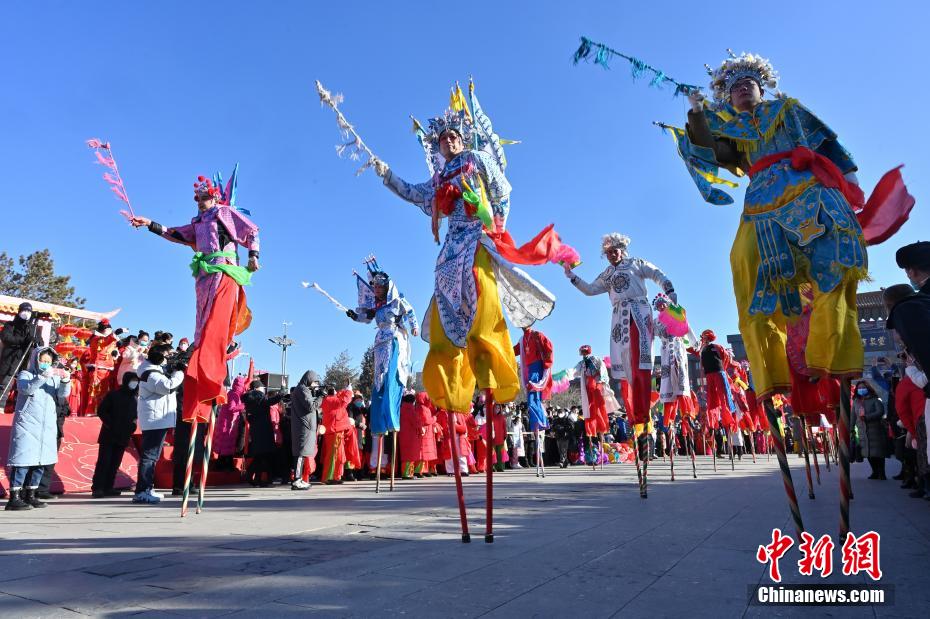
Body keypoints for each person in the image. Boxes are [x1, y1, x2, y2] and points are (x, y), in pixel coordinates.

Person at [679, 53, 909, 400]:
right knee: (744, 261)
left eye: (747, 83)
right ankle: (771, 367)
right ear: (728, 99)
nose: (741, 89)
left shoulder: (788, 110)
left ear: (761, 87)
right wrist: (696, 113)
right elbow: (712, 151)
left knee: (833, 268)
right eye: (734, 88)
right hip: (761, 201)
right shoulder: (734, 130)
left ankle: (831, 353)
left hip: (807, 188)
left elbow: (829, 143)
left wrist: (847, 178)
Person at [130, 172, 260, 427]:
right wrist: (149, 224)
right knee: (200, 331)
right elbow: (175, 233)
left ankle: (215, 372)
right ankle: (200, 381)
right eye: (197, 198)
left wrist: (253, 256)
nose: (200, 201)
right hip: (202, 277)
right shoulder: (199, 222)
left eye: (204, 197)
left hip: (224, 271)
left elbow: (252, 230)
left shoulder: (224, 213)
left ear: (214, 197)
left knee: (214, 325)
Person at [563, 233, 675, 441]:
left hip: (639, 313)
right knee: (626, 371)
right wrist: (571, 276)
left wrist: (669, 289)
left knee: (641, 366)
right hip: (619, 320)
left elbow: (657, 274)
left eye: (614, 251)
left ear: (622, 250)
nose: (612, 255)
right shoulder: (607, 274)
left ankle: (643, 417)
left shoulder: (636, 263)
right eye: (608, 253)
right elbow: (589, 289)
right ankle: (637, 420)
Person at [345, 259, 418, 472]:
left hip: (394, 339)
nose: (375, 290)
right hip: (379, 341)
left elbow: (410, 312)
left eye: (379, 287)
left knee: (390, 376)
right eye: (374, 287)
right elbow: (365, 317)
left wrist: (413, 327)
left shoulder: (396, 301)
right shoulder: (376, 307)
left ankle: (391, 415)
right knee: (378, 379)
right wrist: (353, 316)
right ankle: (379, 419)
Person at [4, 347, 70, 511]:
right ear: (36, 359)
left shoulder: (52, 378)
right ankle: (15, 497)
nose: (46, 364)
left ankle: (31, 494)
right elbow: (26, 389)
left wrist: (65, 380)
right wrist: (41, 377)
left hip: (46, 425)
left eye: (48, 362)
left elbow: (62, 394)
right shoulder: (25, 375)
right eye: (43, 361)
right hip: (27, 424)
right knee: (23, 461)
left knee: (41, 461)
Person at [134, 345, 184, 504]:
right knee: (149, 456)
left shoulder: (152, 371)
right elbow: (168, 387)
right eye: (167, 355)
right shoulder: (151, 374)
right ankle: (142, 490)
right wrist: (179, 372)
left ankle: (147, 487)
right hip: (155, 419)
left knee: (151, 456)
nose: (169, 358)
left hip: (157, 417)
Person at [91, 371, 138, 498]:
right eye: (132, 380)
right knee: (104, 462)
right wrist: (111, 424)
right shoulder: (113, 395)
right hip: (109, 434)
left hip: (123, 435)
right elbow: (102, 410)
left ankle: (108, 487)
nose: (134, 383)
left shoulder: (134, 399)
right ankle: (98, 487)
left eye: (136, 381)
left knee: (115, 463)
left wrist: (132, 427)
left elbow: (134, 417)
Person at [575, 345, 615, 463]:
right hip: (588, 389)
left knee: (599, 409)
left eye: (585, 352)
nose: (584, 354)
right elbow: (573, 371)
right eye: (583, 353)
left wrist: (601, 379)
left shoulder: (595, 359)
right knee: (590, 411)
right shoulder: (581, 364)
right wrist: (563, 375)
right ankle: (593, 434)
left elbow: (602, 369)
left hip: (597, 386)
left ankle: (600, 430)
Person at [0, 302, 42, 410]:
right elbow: (6, 337)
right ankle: (1, 406)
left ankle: (18, 408)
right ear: (19, 311)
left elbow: (40, 343)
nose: (26, 313)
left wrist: (36, 341)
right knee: (5, 383)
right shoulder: (10, 325)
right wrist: (23, 341)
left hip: (26, 360)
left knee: (24, 384)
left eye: (29, 311)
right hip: (11, 359)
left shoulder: (33, 327)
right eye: (24, 310)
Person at [243, 380, 285, 487]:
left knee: (260, 455)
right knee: (263, 455)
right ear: (257, 388)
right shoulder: (259, 397)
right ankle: (251, 475)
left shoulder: (249, 398)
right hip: (264, 429)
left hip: (256, 429)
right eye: (262, 388)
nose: (264, 389)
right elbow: (272, 401)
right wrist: (282, 391)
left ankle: (256, 478)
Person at [289, 371, 322, 490]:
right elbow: (311, 406)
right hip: (303, 427)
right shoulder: (302, 389)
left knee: (302, 454)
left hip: (305, 426)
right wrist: (320, 397)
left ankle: (299, 479)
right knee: (300, 454)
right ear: (309, 379)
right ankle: (296, 480)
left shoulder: (303, 389)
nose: (314, 384)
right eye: (314, 381)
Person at [80, 319, 118, 416]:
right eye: (109, 330)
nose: (110, 331)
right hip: (98, 369)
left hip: (108, 369)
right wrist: (114, 334)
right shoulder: (96, 339)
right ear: (104, 330)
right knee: (96, 391)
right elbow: (104, 342)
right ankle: (92, 412)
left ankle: (104, 411)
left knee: (105, 393)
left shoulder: (110, 341)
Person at [853, 381, 889, 480]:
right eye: (859, 388)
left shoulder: (875, 400)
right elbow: (853, 416)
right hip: (862, 430)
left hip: (875, 429)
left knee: (878, 453)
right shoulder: (856, 401)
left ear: (868, 388)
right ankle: (874, 472)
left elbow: (880, 412)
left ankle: (882, 473)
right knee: (867, 453)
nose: (861, 389)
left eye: (863, 387)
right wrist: (851, 428)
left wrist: (867, 417)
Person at [320, 387, 354, 484]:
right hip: (334, 431)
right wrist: (348, 389)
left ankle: (335, 476)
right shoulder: (333, 400)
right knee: (333, 456)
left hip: (333, 430)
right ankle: (329, 477)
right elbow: (346, 399)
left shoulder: (327, 400)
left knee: (337, 455)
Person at [214, 376, 247, 471]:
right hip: (227, 424)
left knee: (225, 446)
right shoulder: (234, 395)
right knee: (226, 446)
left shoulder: (232, 393)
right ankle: (225, 466)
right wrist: (244, 405)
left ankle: (223, 465)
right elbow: (231, 408)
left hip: (227, 422)